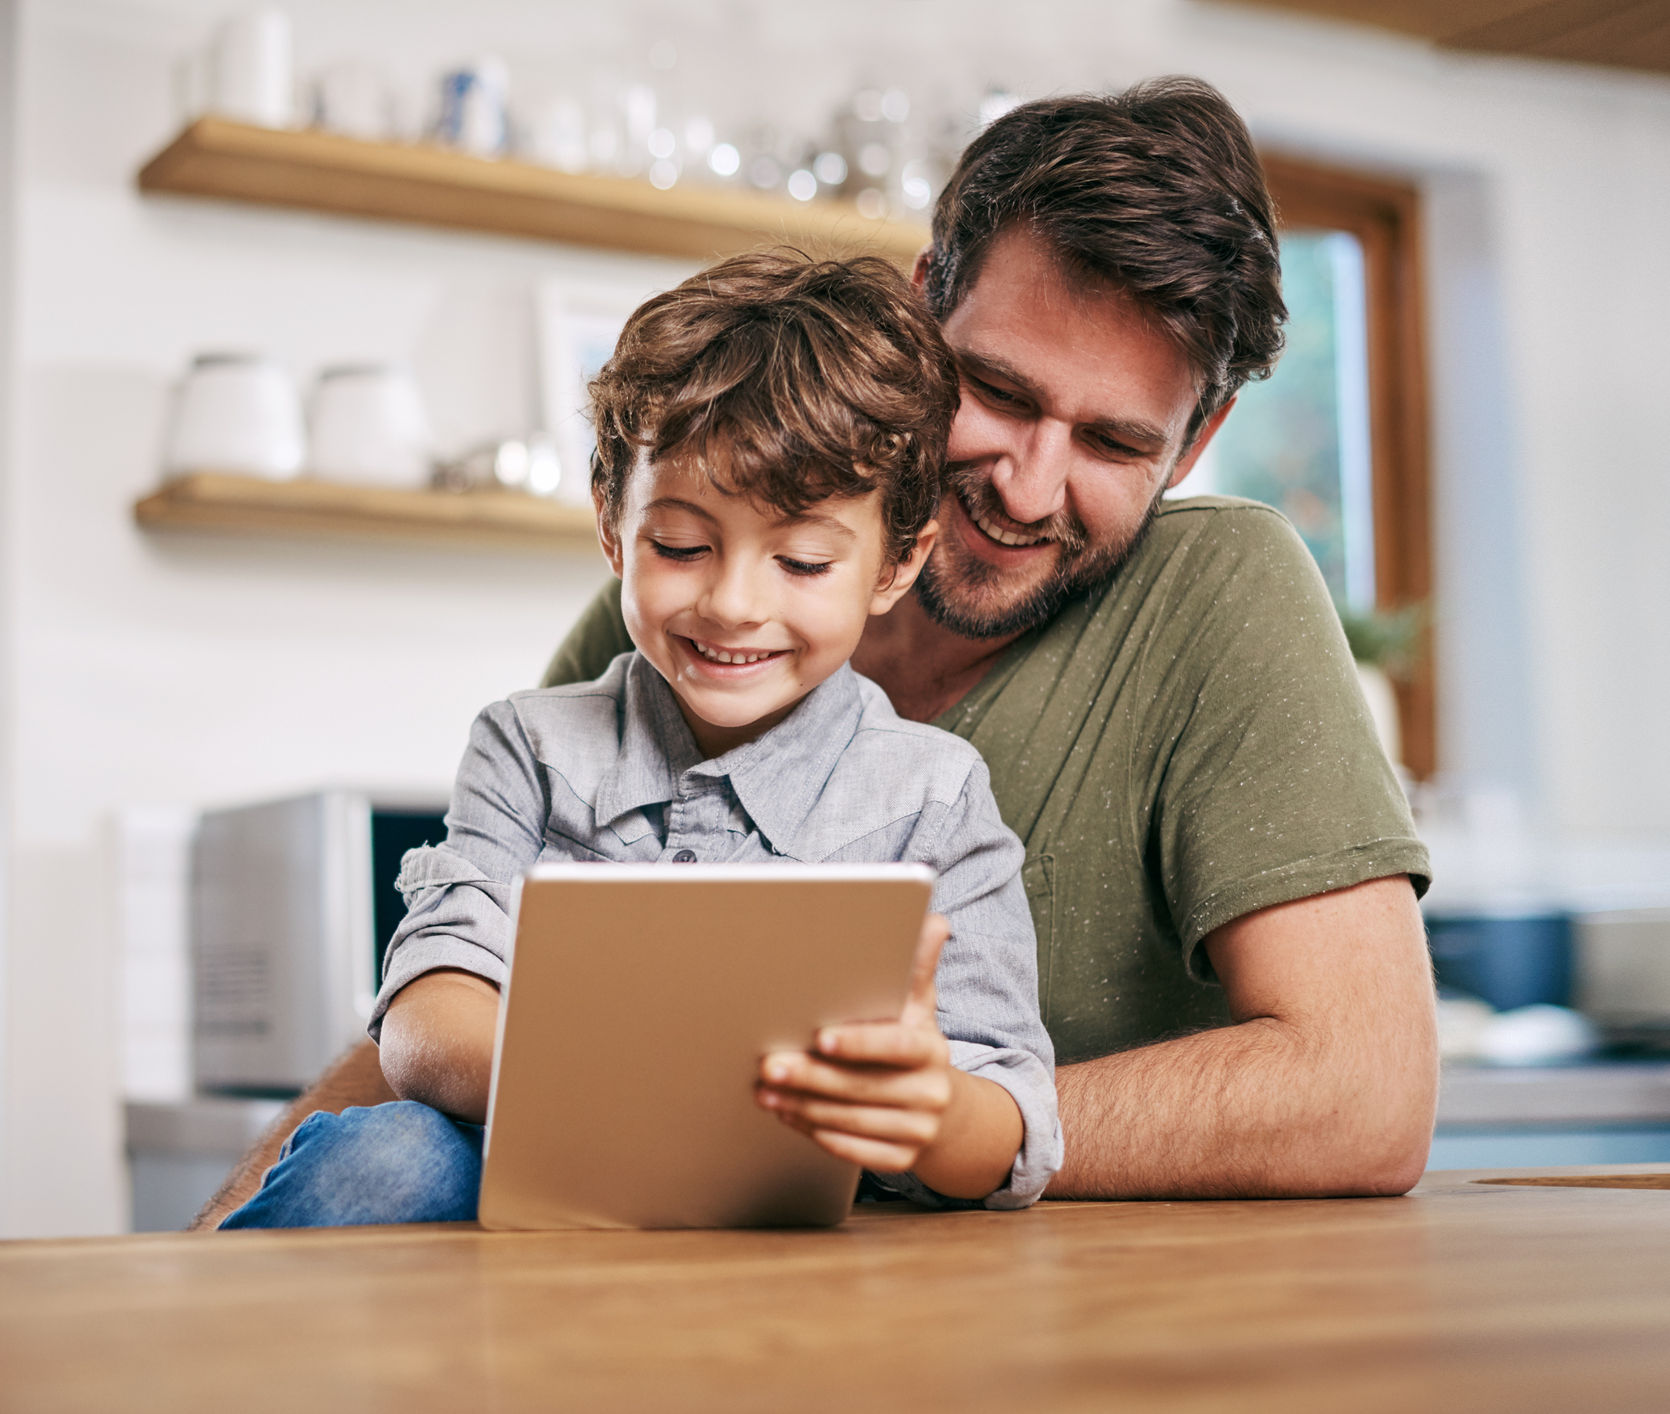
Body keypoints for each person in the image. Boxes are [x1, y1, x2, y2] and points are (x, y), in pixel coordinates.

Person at [195, 76, 1435, 1227]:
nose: (1026, 485)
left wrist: (904, 1124)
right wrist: (205, 1256)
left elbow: (1363, 1094)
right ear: (918, 311)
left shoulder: (1212, 594)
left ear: (1196, 438)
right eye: (998, 390)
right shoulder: (668, 633)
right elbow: (451, 994)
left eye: (1113, 442)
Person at [219, 251, 1060, 1228]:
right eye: (681, 547)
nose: (732, 603)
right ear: (613, 528)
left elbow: (1009, 1127)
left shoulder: (933, 797)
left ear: (895, 564)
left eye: (800, 560)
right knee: (387, 1155)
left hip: (803, 1234)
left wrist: (932, 1109)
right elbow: (425, 1020)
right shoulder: (530, 748)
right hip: (543, 1188)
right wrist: (640, 1080)